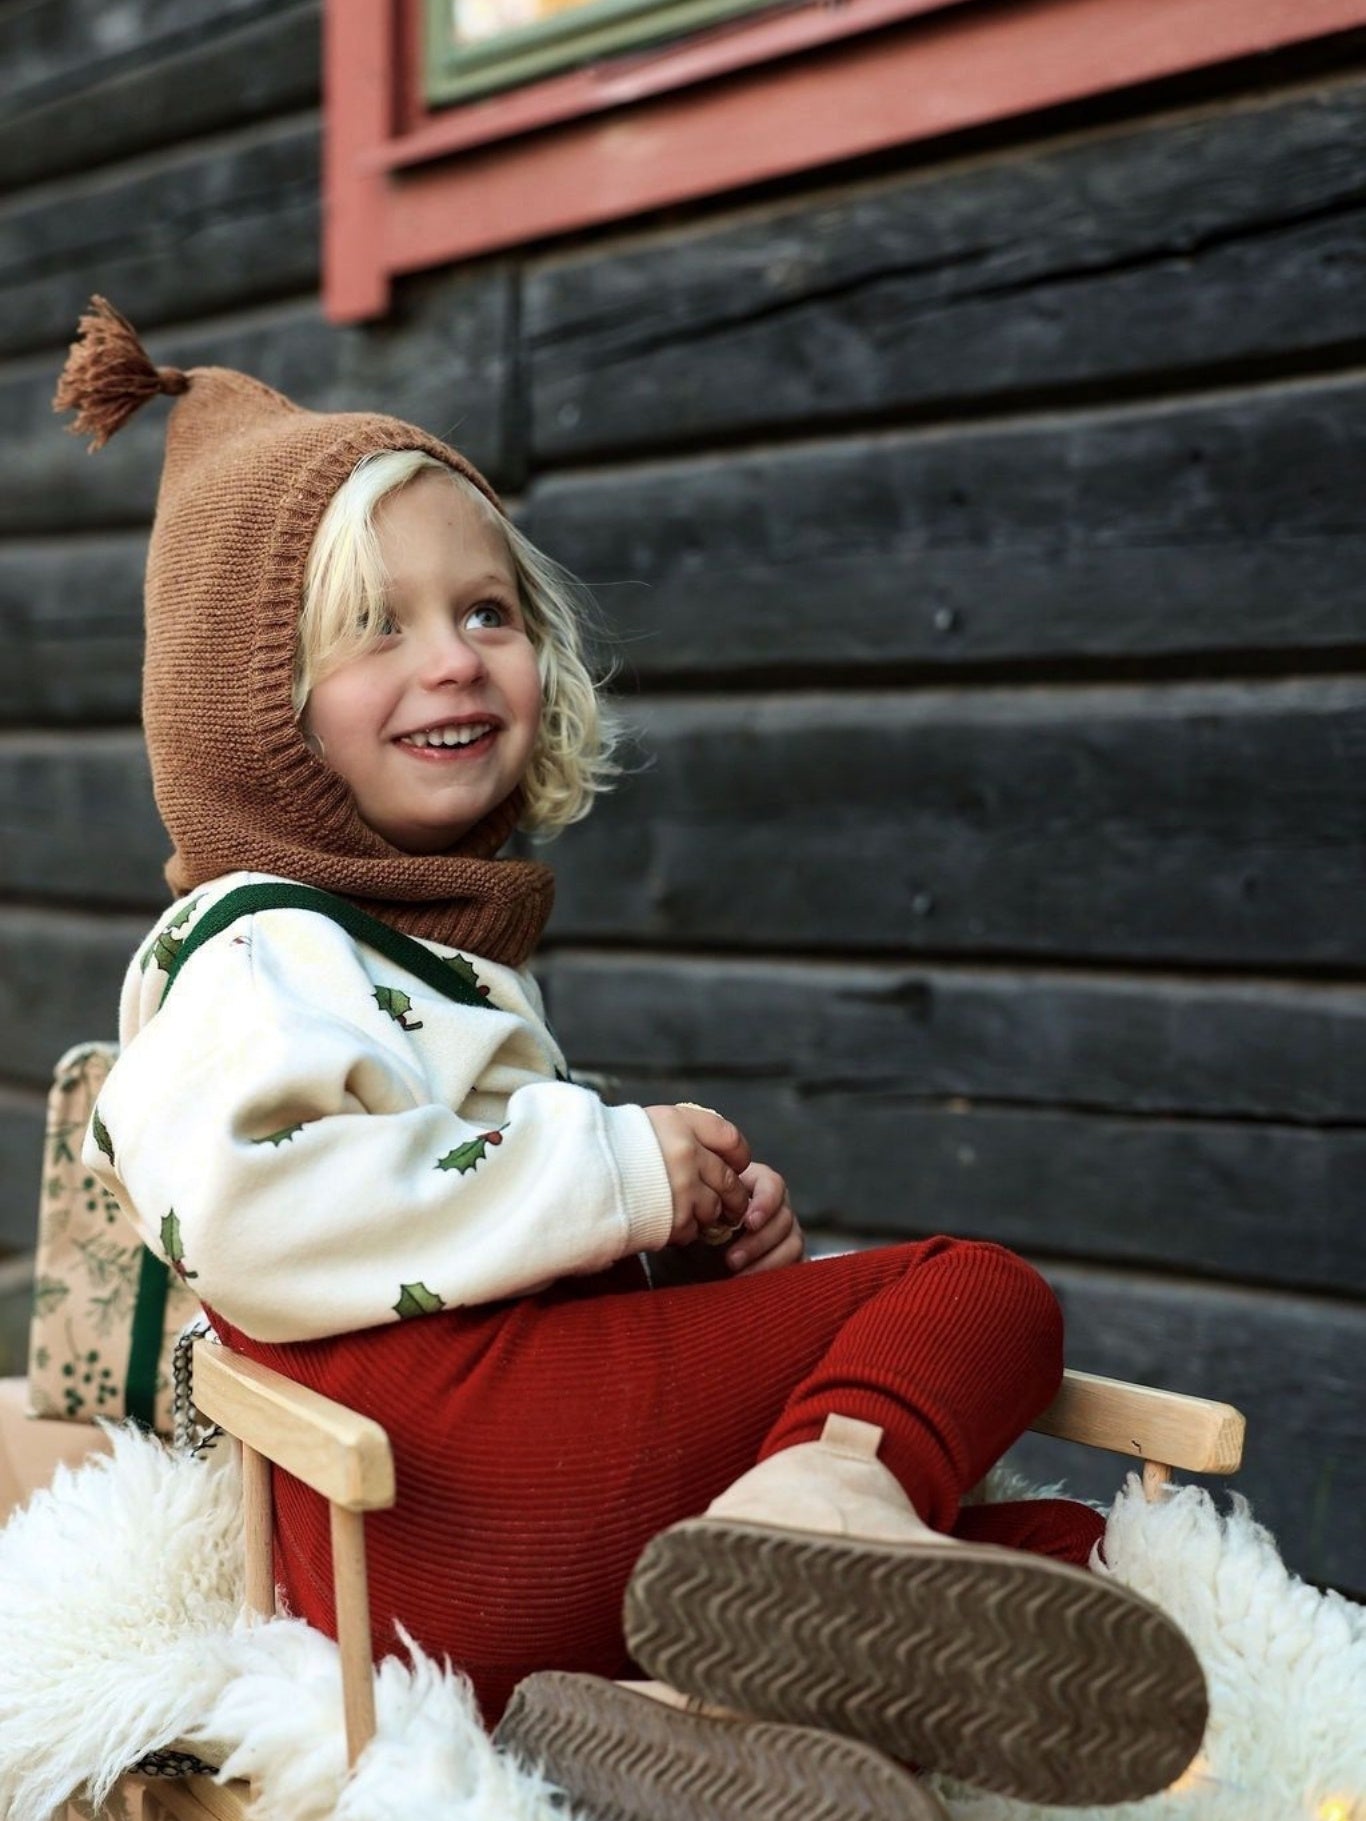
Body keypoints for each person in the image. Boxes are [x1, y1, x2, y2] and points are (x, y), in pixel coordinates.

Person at [63, 297, 1205, 1817]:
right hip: (435, 1481)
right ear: (247, 719)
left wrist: (677, 1260)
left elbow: (445, 1222)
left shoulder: (402, 949)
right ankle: (812, 1501)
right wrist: (606, 1167)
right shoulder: (260, 944)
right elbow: (261, 1215)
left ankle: (688, 1698)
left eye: (487, 611)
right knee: (972, 1289)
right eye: (374, 627)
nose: (455, 660)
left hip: (477, 1573)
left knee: (1056, 1567)